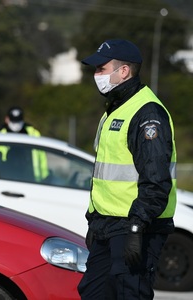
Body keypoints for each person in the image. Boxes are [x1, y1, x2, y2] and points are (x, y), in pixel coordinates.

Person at [77, 39, 176, 299]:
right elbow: (104, 177)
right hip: (107, 225)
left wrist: (136, 227)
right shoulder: (114, 109)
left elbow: (156, 180)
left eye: (101, 68)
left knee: (128, 294)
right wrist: (93, 220)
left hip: (136, 227)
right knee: (93, 293)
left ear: (124, 71)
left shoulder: (147, 113)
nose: (96, 75)